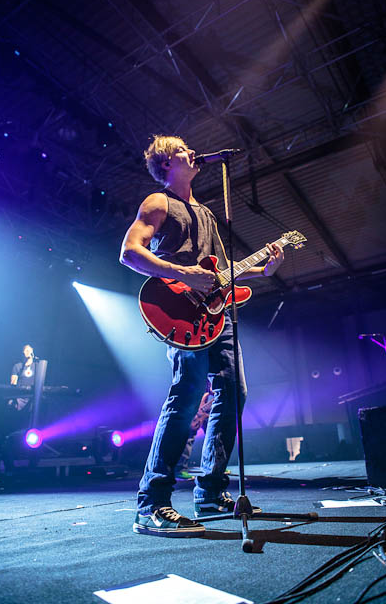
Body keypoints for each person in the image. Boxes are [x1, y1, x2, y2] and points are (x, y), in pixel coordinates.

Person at [120, 134, 285, 537]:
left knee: (234, 393)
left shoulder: (208, 214)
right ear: (165, 166)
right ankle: (151, 503)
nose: (191, 151)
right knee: (186, 396)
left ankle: (210, 492)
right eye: (181, 150)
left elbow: (220, 271)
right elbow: (129, 252)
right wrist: (179, 272)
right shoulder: (159, 203)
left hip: (219, 315)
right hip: (180, 312)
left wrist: (261, 268)